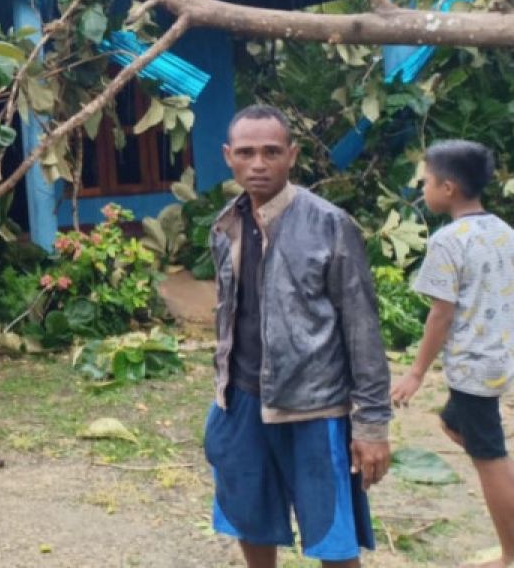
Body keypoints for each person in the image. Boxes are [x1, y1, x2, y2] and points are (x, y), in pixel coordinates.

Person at [204, 105, 391, 568]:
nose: (258, 164)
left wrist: (371, 426)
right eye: (246, 153)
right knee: (247, 512)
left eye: (271, 152)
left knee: (331, 532)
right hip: (242, 397)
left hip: (315, 404)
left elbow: (363, 330)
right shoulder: (225, 225)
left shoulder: (329, 225)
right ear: (229, 156)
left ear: (292, 154)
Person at [392, 141, 514, 568]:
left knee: (490, 458)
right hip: (499, 360)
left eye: (424, 182)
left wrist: (416, 373)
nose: (421, 190)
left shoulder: (448, 240)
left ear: (447, 188)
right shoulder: (504, 231)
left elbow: (440, 315)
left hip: (472, 367)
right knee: (455, 424)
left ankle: (511, 554)